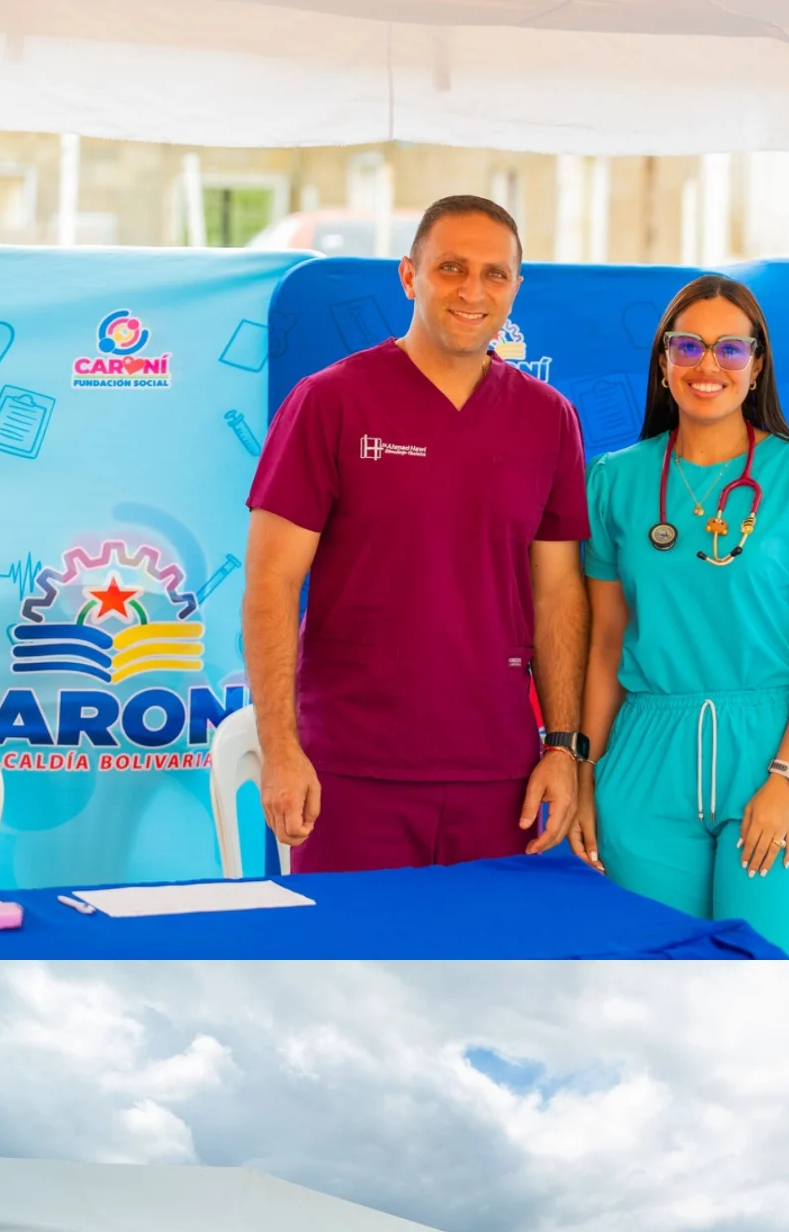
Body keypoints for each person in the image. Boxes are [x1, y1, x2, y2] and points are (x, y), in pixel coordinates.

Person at [244, 192, 589, 874]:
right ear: (409, 276)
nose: (473, 291)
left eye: (495, 274)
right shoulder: (330, 402)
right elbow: (271, 584)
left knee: (480, 976)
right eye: (451, 268)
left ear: (517, 287)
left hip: (500, 774)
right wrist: (280, 749)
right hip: (348, 768)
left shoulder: (549, 419)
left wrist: (563, 746)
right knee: (346, 974)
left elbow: (558, 596)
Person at [572, 274, 789, 959]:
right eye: (689, 347)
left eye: (731, 350)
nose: (709, 365)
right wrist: (586, 778)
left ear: (757, 364)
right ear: (663, 362)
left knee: (763, 985)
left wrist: (788, 776)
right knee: (659, 989)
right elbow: (606, 642)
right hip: (645, 763)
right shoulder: (613, 482)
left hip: (769, 752)